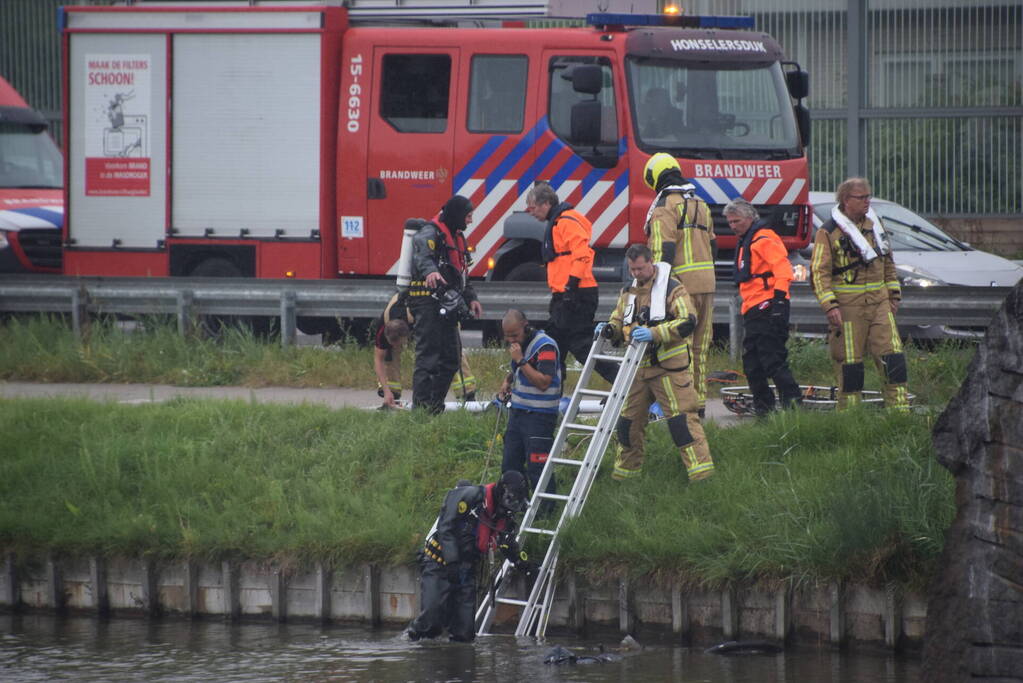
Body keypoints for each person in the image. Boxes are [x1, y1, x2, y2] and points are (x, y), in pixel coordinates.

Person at [598, 244, 714, 482]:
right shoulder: (628, 291)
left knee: (682, 423)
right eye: (632, 269)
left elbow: (687, 321)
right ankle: (625, 478)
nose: (636, 274)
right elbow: (619, 319)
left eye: (640, 268)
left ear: (651, 262)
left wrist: (655, 333)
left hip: (668, 368)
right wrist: (610, 330)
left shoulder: (673, 288)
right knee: (627, 425)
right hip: (638, 368)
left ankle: (702, 476)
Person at [810, 178, 908, 410]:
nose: (867, 201)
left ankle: (900, 414)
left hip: (880, 304)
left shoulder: (875, 225)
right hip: (847, 308)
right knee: (850, 366)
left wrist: (893, 296)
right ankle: (850, 418)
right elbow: (818, 272)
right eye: (861, 197)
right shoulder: (829, 231)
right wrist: (830, 306)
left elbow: (888, 263)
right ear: (846, 200)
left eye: (868, 197)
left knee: (893, 359)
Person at [406, 471, 536, 642]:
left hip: (467, 569)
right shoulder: (471, 497)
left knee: (465, 633)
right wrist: (452, 561)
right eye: (511, 500)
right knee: (431, 620)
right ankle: (412, 639)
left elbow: (507, 543)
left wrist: (523, 563)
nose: (512, 507)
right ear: (501, 492)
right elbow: (446, 527)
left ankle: (461, 662)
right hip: (439, 563)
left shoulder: (505, 516)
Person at [642, 153, 717, 418]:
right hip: (708, 284)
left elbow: (664, 253)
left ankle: (685, 409)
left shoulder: (665, 206)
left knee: (681, 349)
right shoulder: (699, 202)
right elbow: (713, 244)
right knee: (700, 347)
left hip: (681, 288)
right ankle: (699, 407)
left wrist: (656, 294)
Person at [525, 182, 616, 385]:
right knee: (555, 344)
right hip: (565, 295)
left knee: (580, 345)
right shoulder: (558, 222)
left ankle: (623, 384)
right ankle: (552, 392)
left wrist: (571, 286)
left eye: (533, 208)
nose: (531, 213)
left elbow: (582, 255)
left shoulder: (566, 221)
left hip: (576, 294)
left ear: (546, 203)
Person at [723, 198, 802, 415]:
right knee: (752, 365)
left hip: (768, 306)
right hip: (753, 308)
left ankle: (794, 407)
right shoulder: (747, 240)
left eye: (736, 221)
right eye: (730, 222)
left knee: (773, 360)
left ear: (750, 218)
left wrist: (778, 303)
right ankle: (764, 411)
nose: (733, 226)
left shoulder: (765, 239)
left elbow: (783, 271)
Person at [408, 195, 483, 414]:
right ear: (457, 214)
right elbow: (422, 256)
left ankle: (434, 407)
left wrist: (471, 298)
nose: (470, 221)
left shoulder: (458, 237)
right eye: (468, 216)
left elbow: (461, 272)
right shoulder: (430, 233)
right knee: (428, 356)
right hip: (427, 301)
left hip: (448, 303)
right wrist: (430, 271)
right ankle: (421, 411)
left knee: (452, 358)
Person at [373, 292, 477, 409]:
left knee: (451, 350)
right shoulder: (383, 327)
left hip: (440, 313)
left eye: (399, 344)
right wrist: (387, 391)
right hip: (412, 307)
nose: (398, 347)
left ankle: (467, 393)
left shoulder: (418, 316)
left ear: (408, 335)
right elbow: (378, 360)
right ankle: (392, 395)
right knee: (388, 357)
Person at [498, 309, 561, 499]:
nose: (511, 340)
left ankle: (545, 512)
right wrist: (508, 380)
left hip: (539, 417)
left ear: (526, 327)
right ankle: (516, 506)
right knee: (510, 466)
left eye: (514, 335)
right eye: (507, 336)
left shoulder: (545, 346)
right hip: (518, 414)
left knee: (538, 467)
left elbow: (543, 382)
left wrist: (520, 360)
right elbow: (521, 370)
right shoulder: (520, 345)